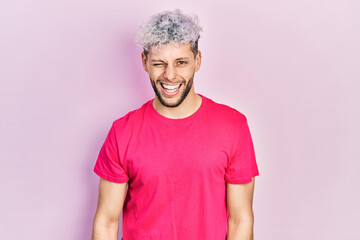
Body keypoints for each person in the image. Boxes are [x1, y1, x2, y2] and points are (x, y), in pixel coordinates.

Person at [92, 9, 259, 240]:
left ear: (197, 61)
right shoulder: (123, 132)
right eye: (159, 63)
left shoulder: (233, 126)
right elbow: (107, 222)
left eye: (181, 62)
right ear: (145, 62)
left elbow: (240, 220)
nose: (170, 75)